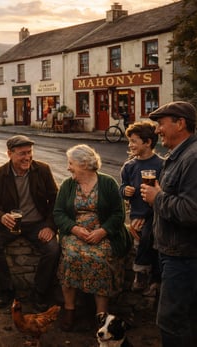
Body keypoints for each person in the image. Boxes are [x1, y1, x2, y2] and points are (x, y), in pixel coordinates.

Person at [53, 144, 131, 332]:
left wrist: (102, 231)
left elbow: (119, 214)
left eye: (71, 163)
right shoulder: (67, 184)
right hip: (75, 234)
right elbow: (58, 213)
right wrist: (74, 229)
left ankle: (100, 316)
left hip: (103, 235)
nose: (68, 167)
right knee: (71, 257)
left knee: (99, 258)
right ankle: (70, 309)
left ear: (84, 164)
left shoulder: (108, 183)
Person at [141, 101, 197, 347]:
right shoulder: (181, 154)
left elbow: (191, 211)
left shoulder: (193, 158)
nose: (157, 130)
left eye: (161, 124)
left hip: (184, 257)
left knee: (172, 323)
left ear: (181, 123)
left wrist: (157, 198)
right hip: (172, 253)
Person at [0, 135, 60, 310]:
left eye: (29, 152)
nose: (27, 157)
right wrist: (1, 217)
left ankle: (40, 293)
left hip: (38, 223)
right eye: (22, 154)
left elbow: (56, 201)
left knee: (53, 249)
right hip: (10, 225)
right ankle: (6, 291)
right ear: (9, 154)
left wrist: (50, 226)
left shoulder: (42, 170)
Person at [120, 121, 163, 296]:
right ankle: (144, 275)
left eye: (134, 141)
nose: (130, 145)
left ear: (148, 142)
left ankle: (144, 274)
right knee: (141, 240)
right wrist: (125, 191)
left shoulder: (162, 165)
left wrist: (145, 217)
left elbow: (164, 194)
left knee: (150, 238)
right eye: (129, 141)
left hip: (155, 214)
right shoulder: (129, 166)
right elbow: (122, 189)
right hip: (136, 214)